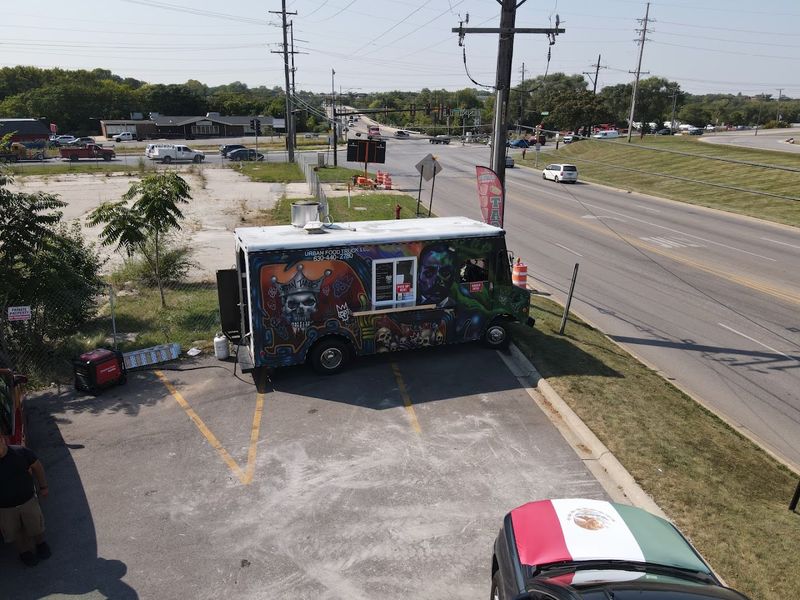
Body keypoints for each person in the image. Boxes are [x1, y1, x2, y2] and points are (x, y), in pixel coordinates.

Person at [0, 434, 51, 567]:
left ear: (3, 440)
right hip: (5, 508)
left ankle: (41, 544)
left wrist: (43, 486)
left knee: (36, 526)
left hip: (28, 501)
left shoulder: (21, 452)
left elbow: (37, 467)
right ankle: (25, 552)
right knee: (15, 532)